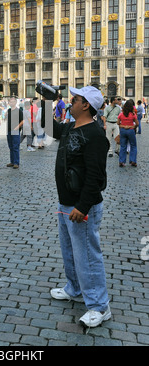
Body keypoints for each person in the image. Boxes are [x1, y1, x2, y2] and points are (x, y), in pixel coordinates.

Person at [50, 85, 111, 328]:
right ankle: (74, 288)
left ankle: (99, 306)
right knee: (70, 251)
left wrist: (83, 206)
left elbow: (96, 177)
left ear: (86, 105)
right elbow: (46, 126)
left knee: (87, 255)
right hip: (65, 202)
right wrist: (47, 101)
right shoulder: (69, 127)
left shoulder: (95, 135)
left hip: (81, 207)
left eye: (74, 99)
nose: (70, 102)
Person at [117, 100, 138, 167]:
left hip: (123, 131)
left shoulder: (121, 114)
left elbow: (118, 123)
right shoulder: (133, 114)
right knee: (133, 146)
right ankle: (133, 161)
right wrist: (133, 126)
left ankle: (121, 161)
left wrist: (123, 126)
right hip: (131, 130)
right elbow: (137, 123)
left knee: (123, 146)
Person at [6, 96, 24, 169]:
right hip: (9, 130)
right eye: (10, 102)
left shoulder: (19, 110)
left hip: (15, 131)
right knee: (11, 147)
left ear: (16, 102)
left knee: (15, 147)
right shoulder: (9, 110)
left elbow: (22, 121)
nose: (11, 103)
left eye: (13, 101)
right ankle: (12, 161)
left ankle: (16, 162)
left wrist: (17, 127)